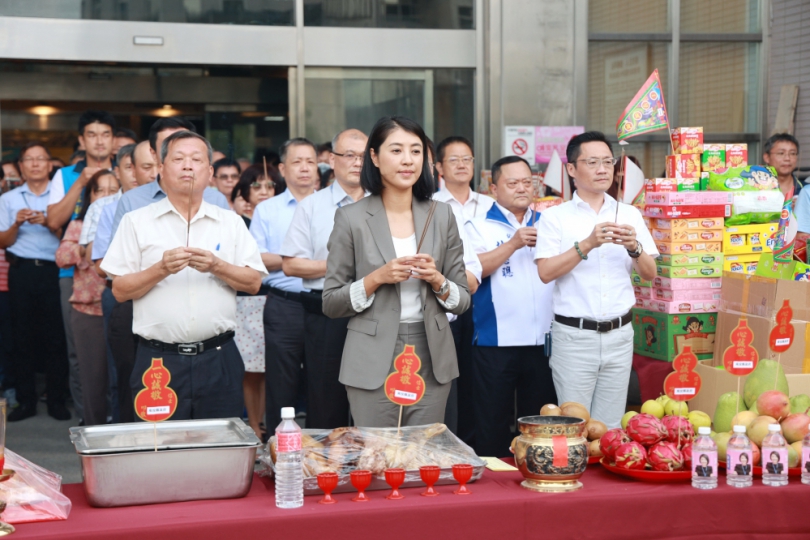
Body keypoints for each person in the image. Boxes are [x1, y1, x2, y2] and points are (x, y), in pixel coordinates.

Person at [101, 130, 266, 420]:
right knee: (160, 452)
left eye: (196, 159)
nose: (187, 166)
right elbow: (120, 290)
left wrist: (217, 265)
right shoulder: (136, 222)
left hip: (219, 357)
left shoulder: (231, 222)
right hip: (157, 363)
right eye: (178, 159)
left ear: (210, 172)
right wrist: (160, 269)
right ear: (161, 169)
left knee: (218, 451)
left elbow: (253, 283)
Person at [322, 116, 470, 427]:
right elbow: (331, 302)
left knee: (424, 455)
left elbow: (462, 301)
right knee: (377, 457)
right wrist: (378, 277)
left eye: (416, 151)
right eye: (397, 150)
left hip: (432, 351)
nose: (408, 160)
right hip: (372, 354)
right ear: (374, 157)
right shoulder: (351, 218)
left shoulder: (441, 214)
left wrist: (437, 279)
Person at [535, 131, 658, 429]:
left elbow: (650, 274)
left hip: (620, 333)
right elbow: (545, 272)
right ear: (572, 169)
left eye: (607, 161)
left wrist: (634, 247)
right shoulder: (556, 217)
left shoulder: (629, 213)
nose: (603, 169)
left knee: (610, 428)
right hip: (575, 337)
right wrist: (586, 244)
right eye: (592, 162)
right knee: (575, 425)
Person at [465, 155, 556, 457]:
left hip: (544, 340)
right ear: (493, 188)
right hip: (495, 340)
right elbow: (472, 271)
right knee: (491, 421)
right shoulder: (476, 226)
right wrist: (513, 244)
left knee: (538, 423)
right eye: (512, 182)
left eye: (527, 182)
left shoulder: (550, 223)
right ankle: (491, 488)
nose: (521, 188)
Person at [280, 129, 368, 429]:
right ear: (331, 160)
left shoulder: (385, 204)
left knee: (371, 397)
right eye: (349, 156)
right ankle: (327, 470)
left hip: (376, 309)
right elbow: (291, 265)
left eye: (363, 156)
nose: (357, 163)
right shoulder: (312, 206)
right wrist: (339, 266)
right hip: (326, 311)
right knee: (326, 397)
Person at [47, 110, 117, 424]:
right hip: (74, 279)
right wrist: (83, 182)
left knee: (119, 353)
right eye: (92, 134)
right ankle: (87, 420)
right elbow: (54, 222)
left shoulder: (123, 172)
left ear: (114, 140)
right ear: (81, 140)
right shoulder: (63, 176)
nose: (99, 140)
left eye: (105, 134)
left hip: (120, 279)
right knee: (80, 353)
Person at [250, 138, 318, 431]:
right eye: (297, 162)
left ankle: (324, 451)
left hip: (325, 304)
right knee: (281, 382)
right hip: (283, 304)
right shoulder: (268, 210)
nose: (304, 168)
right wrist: (295, 260)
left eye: (310, 162)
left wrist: (297, 261)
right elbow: (256, 260)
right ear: (282, 168)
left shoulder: (332, 206)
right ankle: (277, 451)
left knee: (323, 381)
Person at [0, 142, 69, 421]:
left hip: (55, 270)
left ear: (50, 164)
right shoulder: (9, 198)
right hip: (23, 271)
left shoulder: (61, 196)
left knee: (56, 337)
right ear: (20, 166)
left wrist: (48, 222)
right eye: (29, 159)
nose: (36, 164)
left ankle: (56, 400)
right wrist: (16, 223)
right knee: (22, 337)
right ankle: (26, 401)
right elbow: (3, 241)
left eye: (41, 159)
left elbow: (72, 236)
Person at [433, 136, 493, 443]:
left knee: (478, 378)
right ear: (439, 167)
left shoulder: (489, 204)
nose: (461, 165)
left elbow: (483, 259)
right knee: (451, 377)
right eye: (453, 159)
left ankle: (473, 442)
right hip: (448, 304)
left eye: (467, 159)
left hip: (485, 303)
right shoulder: (432, 205)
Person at [56, 170, 119, 426]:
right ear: (89, 195)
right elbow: (61, 257)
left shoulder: (130, 222)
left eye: (113, 190)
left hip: (121, 307)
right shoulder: (78, 225)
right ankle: (92, 429)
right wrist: (85, 246)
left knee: (121, 375)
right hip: (88, 309)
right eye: (99, 190)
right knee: (91, 375)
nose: (106, 196)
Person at [763, 133, 801, 200]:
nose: (787, 158)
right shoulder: (754, 187)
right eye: (781, 153)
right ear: (767, 157)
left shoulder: (806, 190)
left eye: (792, 153)